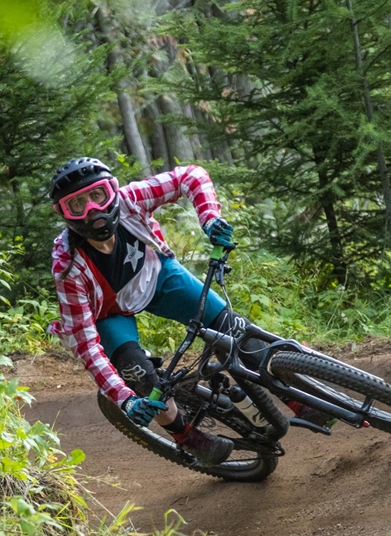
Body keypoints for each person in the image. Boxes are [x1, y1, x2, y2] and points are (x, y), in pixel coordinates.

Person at [47, 157, 253, 466]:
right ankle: (187, 438)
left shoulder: (131, 200)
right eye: (77, 205)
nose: (92, 211)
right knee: (140, 377)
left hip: (157, 277)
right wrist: (125, 399)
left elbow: (190, 175)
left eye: (98, 195)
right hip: (110, 314)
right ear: (63, 214)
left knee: (237, 331)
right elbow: (86, 345)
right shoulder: (67, 266)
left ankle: (298, 398)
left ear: (113, 191)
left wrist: (209, 217)